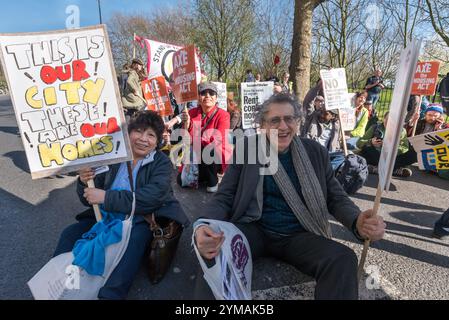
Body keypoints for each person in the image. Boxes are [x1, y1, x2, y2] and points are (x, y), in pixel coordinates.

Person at [193, 93, 385, 300]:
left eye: (289, 119)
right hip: (253, 228)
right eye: (275, 120)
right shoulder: (247, 148)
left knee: (343, 258)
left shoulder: (316, 152)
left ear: (298, 122)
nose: (283, 126)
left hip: (299, 234)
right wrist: (203, 225)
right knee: (214, 253)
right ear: (263, 125)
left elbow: (335, 197)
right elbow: (225, 196)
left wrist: (358, 221)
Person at [53, 111, 189, 299]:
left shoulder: (162, 163)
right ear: (128, 134)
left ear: (157, 141)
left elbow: (151, 198)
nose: (143, 139)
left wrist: (107, 197)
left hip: (142, 217)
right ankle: (64, 285)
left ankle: (110, 295)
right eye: (139, 132)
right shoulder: (111, 156)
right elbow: (88, 199)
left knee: (132, 240)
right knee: (70, 234)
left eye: (151, 135)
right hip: (106, 215)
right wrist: (84, 182)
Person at [178, 82, 231, 193]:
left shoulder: (223, 115)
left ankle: (213, 181)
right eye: (203, 93)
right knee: (181, 181)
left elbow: (217, 140)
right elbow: (185, 139)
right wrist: (187, 125)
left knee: (208, 149)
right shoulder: (191, 113)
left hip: (215, 155)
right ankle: (202, 176)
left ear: (216, 97)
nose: (207, 96)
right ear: (198, 97)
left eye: (211, 93)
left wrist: (196, 141)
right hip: (196, 155)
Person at [357, 112, 415, 177]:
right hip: (376, 155)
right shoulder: (374, 127)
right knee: (367, 149)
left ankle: (376, 169)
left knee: (414, 153)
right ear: (383, 119)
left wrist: (391, 147)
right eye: (387, 119)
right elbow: (359, 143)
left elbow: (405, 148)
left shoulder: (402, 131)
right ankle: (393, 170)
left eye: (392, 120)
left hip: (392, 157)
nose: (389, 122)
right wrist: (371, 142)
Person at [302, 106, 344, 170]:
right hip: (313, 152)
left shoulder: (336, 126)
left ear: (332, 116)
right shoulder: (312, 118)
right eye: (322, 111)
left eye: (325, 113)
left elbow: (337, 142)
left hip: (327, 153)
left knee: (344, 155)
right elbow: (308, 103)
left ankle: (327, 170)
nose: (322, 115)